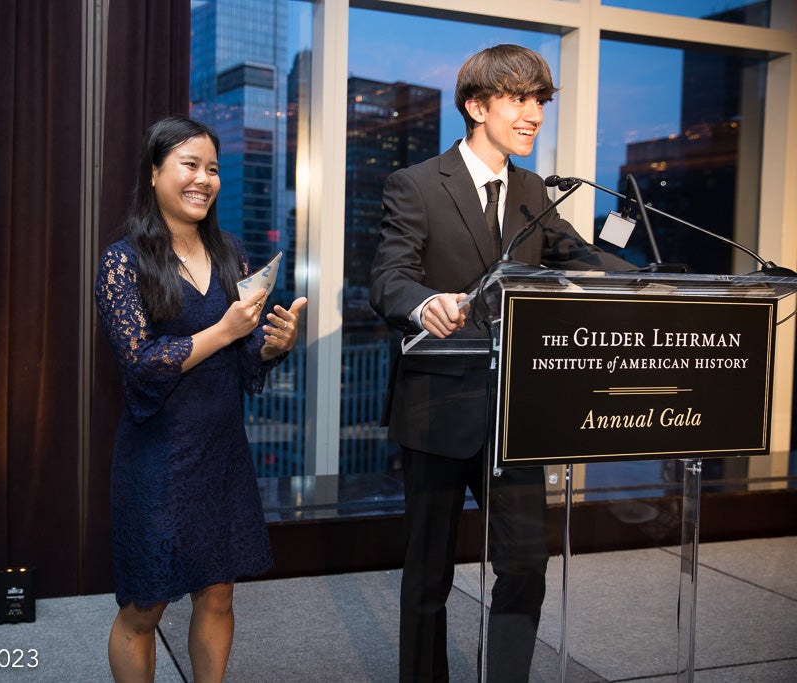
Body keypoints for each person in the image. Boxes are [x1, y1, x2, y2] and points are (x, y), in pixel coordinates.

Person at [369, 44, 635, 681]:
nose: (533, 113)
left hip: (516, 415)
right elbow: (388, 279)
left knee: (524, 566)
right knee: (428, 577)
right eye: (519, 99)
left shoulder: (533, 191)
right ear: (476, 105)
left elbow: (579, 260)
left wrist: (658, 284)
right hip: (436, 408)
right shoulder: (415, 184)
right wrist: (425, 301)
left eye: (539, 100)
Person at [95, 115, 307, 682]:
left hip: (222, 453)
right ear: (155, 172)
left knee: (218, 595)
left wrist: (271, 345)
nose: (203, 179)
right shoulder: (124, 261)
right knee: (145, 609)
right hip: (158, 459)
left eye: (213, 168)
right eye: (189, 165)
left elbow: (242, 360)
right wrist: (227, 331)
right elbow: (141, 366)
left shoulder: (232, 252)